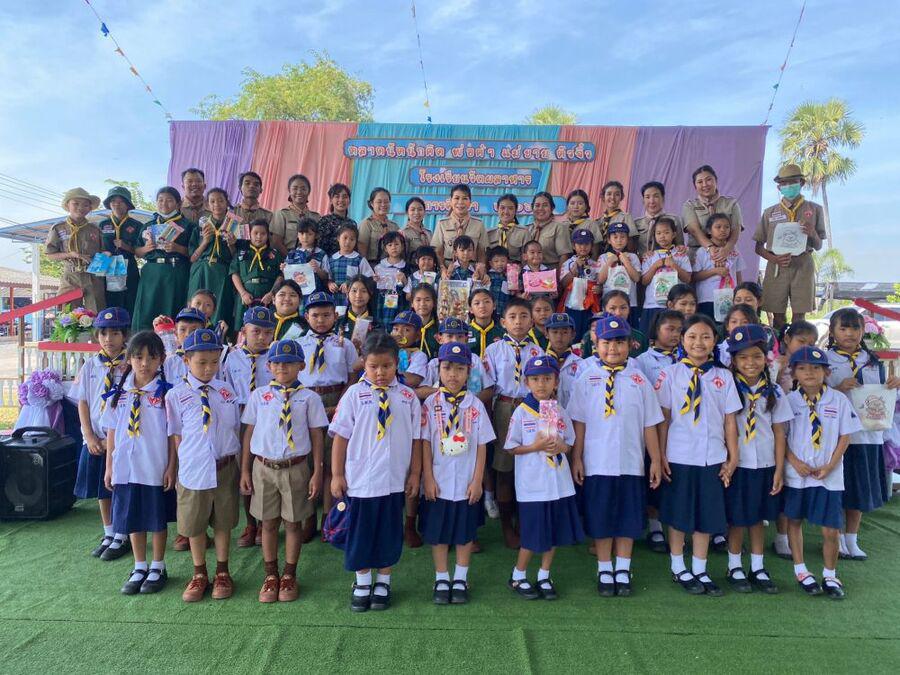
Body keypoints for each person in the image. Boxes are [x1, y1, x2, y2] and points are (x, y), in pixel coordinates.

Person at [329, 332, 423, 612]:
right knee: (362, 533)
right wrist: (337, 474)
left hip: (394, 480)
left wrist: (415, 473)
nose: (380, 372)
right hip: (361, 479)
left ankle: (383, 581)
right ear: (364, 364)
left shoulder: (407, 397)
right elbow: (340, 437)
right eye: (373, 366)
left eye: (386, 366)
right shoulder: (354, 395)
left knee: (389, 533)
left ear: (397, 364)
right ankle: (362, 581)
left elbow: (417, 439)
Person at [570, 316, 663, 596]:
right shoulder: (586, 379)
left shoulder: (639, 380)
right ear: (596, 345)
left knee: (627, 518)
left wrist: (655, 460)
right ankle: (604, 568)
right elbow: (579, 423)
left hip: (631, 463)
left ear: (630, 345)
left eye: (619, 342)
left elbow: (649, 424)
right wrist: (577, 458)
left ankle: (623, 567)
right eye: (606, 342)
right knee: (601, 518)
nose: (613, 348)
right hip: (597, 463)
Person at [656, 314, 741, 596]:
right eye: (692, 336)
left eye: (706, 337)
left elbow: (730, 421)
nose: (698, 342)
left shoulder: (723, 376)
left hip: (711, 456)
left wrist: (733, 457)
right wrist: (661, 455)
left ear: (715, 341)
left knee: (706, 515)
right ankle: (678, 566)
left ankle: (700, 568)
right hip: (678, 455)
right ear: (682, 340)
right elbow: (664, 419)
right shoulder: (670, 374)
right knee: (679, 514)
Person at [240, 338, 328, 602]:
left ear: (301, 365)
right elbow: (249, 433)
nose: (282, 368)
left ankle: (289, 574)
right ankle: (270, 575)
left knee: (293, 523)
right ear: (268, 366)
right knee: (268, 523)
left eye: (289, 363)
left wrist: (317, 472)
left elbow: (317, 436)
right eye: (277, 363)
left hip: (295, 467)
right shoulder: (259, 396)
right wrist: (244, 470)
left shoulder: (310, 398)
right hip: (264, 467)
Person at [166, 329, 241, 602]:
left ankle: (222, 571)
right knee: (195, 524)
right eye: (201, 362)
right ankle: (199, 573)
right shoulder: (176, 395)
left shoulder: (226, 391)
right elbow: (176, 434)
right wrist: (180, 467)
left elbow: (234, 428)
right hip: (194, 469)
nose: (209, 368)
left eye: (214, 362)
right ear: (187, 361)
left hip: (224, 468)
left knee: (223, 521)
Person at [784, 346, 861, 599]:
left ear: (826, 372)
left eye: (816, 368)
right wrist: (794, 462)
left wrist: (830, 465)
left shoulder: (838, 400)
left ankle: (830, 575)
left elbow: (845, 436)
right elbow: (781, 437)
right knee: (794, 520)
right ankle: (801, 570)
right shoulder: (789, 401)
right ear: (794, 373)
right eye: (802, 368)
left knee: (830, 529)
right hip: (797, 475)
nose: (810, 373)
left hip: (829, 476)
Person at [102, 331, 176, 595]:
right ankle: (139, 565)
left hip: (154, 467)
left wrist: (171, 467)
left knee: (156, 518)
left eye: (151, 357)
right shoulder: (118, 395)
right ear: (129, 359)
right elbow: (112, 432)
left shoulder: (167, 394)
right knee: (132, 517)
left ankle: (158, 565)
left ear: (161, 359)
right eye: (138, 357)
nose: (145, 363)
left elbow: (172, 434)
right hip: (125, 469)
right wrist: (109, 466)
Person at [420, 342, 493, 604]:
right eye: (447, 368)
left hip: (466, 481)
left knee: (465, 533)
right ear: (438, 369)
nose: (453, 374)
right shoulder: (430, 404)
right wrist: (427, 478)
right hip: (438, 481)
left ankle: (460, 577)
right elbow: (425, 442)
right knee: (438, 533)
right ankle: (441, 577)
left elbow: (482, 445)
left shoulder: (475, 405)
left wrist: (477, 480)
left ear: (468, 372)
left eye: (460, 369)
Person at [504, 356, 583, 600]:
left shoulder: (559, 410)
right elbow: (511, 447)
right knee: (532, 534)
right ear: (527, 383)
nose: (541, 384)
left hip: (558, 482)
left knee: (554, 532)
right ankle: (518, 575)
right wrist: (535, 446)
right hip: (533, 485)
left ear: (556, 382)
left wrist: (561, 446)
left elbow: (569, 443)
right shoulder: (522, 412)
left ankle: (544, 575)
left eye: (547, 379)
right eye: (535, 379)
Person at [825, 308, 900, 561]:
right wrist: (837, 388)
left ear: (862, 331)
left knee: (859, 490)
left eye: (855, 328)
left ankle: (852, 539)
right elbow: (815, 394)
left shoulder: (873, 361)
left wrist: (893, 386)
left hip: (867, 436)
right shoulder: (824, 360)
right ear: (832, 332)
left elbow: (884, 398)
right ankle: (836, 538)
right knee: (838, 489)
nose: (849, 333)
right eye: (843, 328)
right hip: (837, 438)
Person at [723, 325, 792, 594]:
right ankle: (734, 566)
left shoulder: (774, 391)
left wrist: (779, 469)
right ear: (733, 360)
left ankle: (758, 566)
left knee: (758, 517)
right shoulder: (727, 388)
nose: (750, 363)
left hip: (764, 464)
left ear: (766, 358)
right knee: (737, 518)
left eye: (756, 356)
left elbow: (779, 432)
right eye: (743, 357)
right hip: (737, 465)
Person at [296, 292, 359, 540]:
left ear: (335, 316)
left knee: (333, 460)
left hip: (336, 398)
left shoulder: (345, 344)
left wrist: (341, 404)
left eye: (326, 315)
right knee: (309, 460)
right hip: (307, 399)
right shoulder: (299, 343)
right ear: (306, 316)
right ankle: (308, 516)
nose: (321, 320)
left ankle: (329, 517)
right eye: (315, 315)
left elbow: (352, 376)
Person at [483, 298, 545, 548]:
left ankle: (523, 523)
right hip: (504, 408)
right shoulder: (493, 350)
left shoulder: (538, 351)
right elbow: (489, 386)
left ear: (532, 321)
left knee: (529, 464)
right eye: (512, 317)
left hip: (531, 408)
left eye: (523, 316)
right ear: (503, 322)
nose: (518, 321)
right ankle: (507, 526)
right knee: (504, 467)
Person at [74, 306, 130, 560]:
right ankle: (109, 531)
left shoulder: (131, 366)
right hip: (95, 440)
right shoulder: (90, 365)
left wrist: (113, 440)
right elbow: (83, 402)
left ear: (124, 335)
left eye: (115, 333)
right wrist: (89, 436)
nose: (109, 339)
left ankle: (122, 533)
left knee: (119, 486)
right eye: (104, 333)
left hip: (121, 440)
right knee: (101, 488)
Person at [223, 306, 276, 548]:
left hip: (268, 418)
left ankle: (265, 522)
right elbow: (226, 389)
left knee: (263, 470)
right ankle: (250, 523)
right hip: (241, 418)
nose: (262, 337)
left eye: (267, 332)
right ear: (244, 331)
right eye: (256, 331)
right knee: (244, 470)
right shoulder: (230, 357)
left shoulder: (276, 358)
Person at [754, 164, 826, 330]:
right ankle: (779, 342)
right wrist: (774, 259)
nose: (788, 186)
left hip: (803, 264)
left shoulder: (815, 209)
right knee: (777, 313)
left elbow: (819, 245)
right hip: (777, 266)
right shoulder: (770, 212)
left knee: (800, 314)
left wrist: (812, 233)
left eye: (793, 182)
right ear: (779, 187)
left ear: (802, 183)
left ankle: (798, 341)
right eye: (784, 183)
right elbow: (758, 246)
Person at [635, 309, 683, 552]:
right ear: (656, 330)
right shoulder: (643, 361)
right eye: (669, 329)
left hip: (682, 428)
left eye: (679, 330)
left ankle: (677, 524)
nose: (675, 334)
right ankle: (655, 526)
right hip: (653, 426)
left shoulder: (687, 358)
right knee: (654, 476)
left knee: (677, 476)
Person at [131, 187, 194, 331]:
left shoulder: (188, 226)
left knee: (172, 309)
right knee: (147, 309)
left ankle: (173, 342)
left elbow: (194, 253)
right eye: (160, 200)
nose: (164, 204)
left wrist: (177, 248)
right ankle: (144, 340)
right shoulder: (148, 225)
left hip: (176, 271)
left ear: (178, 203)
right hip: (151, 273)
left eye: (169, 200)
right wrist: (146, 248)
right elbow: (137, 252)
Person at [45, 187, 105, 313]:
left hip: (92, 276)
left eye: (85, 205)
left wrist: (105, 257)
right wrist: (70, 254)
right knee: (68, 316)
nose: (80, 208)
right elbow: (50, 255)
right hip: (70, 277)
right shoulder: (58, 228)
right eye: (76, 203)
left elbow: (102, 253)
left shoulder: (95, 230)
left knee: (96, 313)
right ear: (68, 205)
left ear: (90, 208)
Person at [188, 188, 238, 331]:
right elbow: (192, 258)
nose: (217, 204)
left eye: (221, 200)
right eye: (212, 201)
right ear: (207, 204)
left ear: (227, 202)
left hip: (222, 271)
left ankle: (217, 337)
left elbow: (236, 257)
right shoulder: (200, 226)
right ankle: (193, 334)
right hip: (201, 270)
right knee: (196, 305)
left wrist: (231, 244)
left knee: (220, 307)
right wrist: (205, 241)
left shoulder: (234, 225)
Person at [639, 217, 692, 335]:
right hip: (652, 305)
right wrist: (655, 266)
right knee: (650, 337)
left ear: (674, 234)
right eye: (658, 233)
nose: (662, 236)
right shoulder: (650, 256)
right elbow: (644, 281)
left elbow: (688, 279)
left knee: (673, 335)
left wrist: (674, 266)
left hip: (675, 305)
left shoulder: (681, 255)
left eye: (666, 232)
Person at [230, 218, 284, 332]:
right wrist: (243, 293)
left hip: (267, 295)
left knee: (267, 327)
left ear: (268, 235)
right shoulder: (241, 253)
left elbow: (280, 276)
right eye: (255, 233)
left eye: (263, 233)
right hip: (245, 295)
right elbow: (234, 273)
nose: (259, 236)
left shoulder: (275, 254)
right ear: (249, 234)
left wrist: (272, 293)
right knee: (243, 328)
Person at [681, 165, 743, 261]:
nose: (705, 184)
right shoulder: (689, 206)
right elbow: (694, 230)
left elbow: (736, 229)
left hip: (726, 252)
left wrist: (727, 249)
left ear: (716, 181)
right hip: (697, 255)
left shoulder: (731, 203)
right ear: (695, 186)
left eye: (708, 179)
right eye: (700, 182)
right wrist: (710, 247)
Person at [693, 213, 744, 320]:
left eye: (727, 227)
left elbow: (738, 275)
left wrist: (739, 296)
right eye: (718, 227)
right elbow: (694, 277)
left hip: (729, 299)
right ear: (709, 231)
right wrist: (715, 271)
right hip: (707, 299)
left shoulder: (734, 249)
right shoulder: (702, 251)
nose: (723, 230)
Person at [99, 186, 141, 315]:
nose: (117, 204)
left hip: (129, 267)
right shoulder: (102, 225)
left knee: (130, 301)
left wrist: (126, 247)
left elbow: (142, 252)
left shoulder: (137, 225)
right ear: (109, 204)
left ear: (127, 204)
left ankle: (130, 328)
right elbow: (97, 248)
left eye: (121, 201)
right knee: (109, 302)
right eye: (113, 201)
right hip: (108, 266)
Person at [432, 184, 488, 267]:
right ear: (451, 201)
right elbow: (437, 251)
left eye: (465, 198)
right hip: (448, 269)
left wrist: (480, 269)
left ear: (470, 202)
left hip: (471, 270)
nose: (460, 202)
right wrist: (442, 269)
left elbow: (482, 252)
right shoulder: (442, 224)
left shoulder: (479, 224)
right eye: (457, 198)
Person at [559, 228, 601, 340]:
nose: (583, 247)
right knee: (573, 333)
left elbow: (600, 283)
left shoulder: (596, 264)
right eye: (579, 244)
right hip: (572, 305)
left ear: (592, 246)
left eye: (587, 244)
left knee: (588, 333)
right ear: (573, 246)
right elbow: (563, 284)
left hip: (590, 306)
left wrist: (599, 288)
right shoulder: (568, 263)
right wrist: (574, 269)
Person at [596, 223, 641, 326]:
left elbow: (636, 278)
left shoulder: (633, 257)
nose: (619, 240)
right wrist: (609, 262)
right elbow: (600, 279)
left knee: (629, 330)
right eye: (615, 237)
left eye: (622, 237)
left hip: (629, 302)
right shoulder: (603, 257)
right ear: (609, 240)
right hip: (610, 303)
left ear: (627, 239)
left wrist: (626, 262)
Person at [270, 174, 321, 256]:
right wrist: (292, 259)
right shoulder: (281, 214)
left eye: (303, 189)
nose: (299, 192)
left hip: (312, 259)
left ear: (308, 192)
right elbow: (276, 242)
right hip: (287, 258)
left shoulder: (316, 217)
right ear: (289, 191)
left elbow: (319, 241)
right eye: (295, 188)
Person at [329, 223, 374, 310]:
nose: (348, 242)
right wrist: (330, 284)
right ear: (338, 238)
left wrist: (350, 284)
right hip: (335, 299)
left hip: (354, 300)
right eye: (345, 238)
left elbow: (369, 278)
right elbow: (328, 278)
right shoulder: (332, 259)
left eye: (352, 239)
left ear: (356, 241)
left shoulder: (359, 259)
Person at [284, 217, 331, 297]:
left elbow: (326, 277)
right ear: (297, 235)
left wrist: (317, 269)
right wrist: (284, 269)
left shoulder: (321, 254)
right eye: (302, 234)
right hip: (296, 294)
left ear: (316, 235)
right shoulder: (292, 254)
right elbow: (287, 276)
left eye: (309, 234)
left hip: (315, 294)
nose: (305, 237)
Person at [634, 181, 684, 256]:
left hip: (668, 261)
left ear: (663, 199)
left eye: (656, 196)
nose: (652, 201)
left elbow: (680, 246)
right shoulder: (636, 223)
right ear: (643, 201)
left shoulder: (674, 220)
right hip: (642, 262)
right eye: (647, 197)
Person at [544, 313, 580, 409]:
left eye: (565, 332)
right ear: (546, 334)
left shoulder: (581, 364)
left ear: (573, 335)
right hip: (545, 414)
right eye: (554, 332)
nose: (559, 336)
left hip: (573, 414)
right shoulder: (539, 362)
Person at [373, 232, 409, 328]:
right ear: (385, 248)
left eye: (397, 244)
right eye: (390, 245)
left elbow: (409, 287)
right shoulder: (379, 266)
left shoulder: (405, 266)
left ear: (402, 246)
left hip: (400, 300)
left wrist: (405, 281)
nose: (394, 247)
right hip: (382, 298)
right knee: (382, 322)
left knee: (398, 321)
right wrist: (375, 279)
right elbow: (375, 285)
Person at [163, 308, 206, 386]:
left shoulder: (214, 360)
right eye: (182, 329)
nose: (187, 334)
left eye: (194, 330)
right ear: (176, 333)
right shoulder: (168, 363)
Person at [527, 191, 571, 267]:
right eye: (537, 205)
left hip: (551, 271)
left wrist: (559, 274)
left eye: (545, 205)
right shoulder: (527, 229)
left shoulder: (559, 228)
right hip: (529, 271)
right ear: (532, 208)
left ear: (552, 208)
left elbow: (564, 256)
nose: (540, 208)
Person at [358, 187, 399, 264]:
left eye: (386, 202)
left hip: (392, 267)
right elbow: (362, 252)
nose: (383, 205)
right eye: (379, 202)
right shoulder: (366, 224)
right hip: (372, 266)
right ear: (372, 204)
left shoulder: (394, 226)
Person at [595, 181, 638, 250]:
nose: (612, 197)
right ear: (603, 197)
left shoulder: (626, 217)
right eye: (609, 194)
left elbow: (631, 242)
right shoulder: (598, 221)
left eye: (617, 194)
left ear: (621, 197)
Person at [391, 309, 428, 389]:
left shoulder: (419, 356)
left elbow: (412, 380)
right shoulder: (386, 351)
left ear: (417, 336)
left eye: (406, 330)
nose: (399, 334)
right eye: (395, 329)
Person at [487, 194, 530, 263]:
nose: (506, 212)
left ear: (516, 210)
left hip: (516, 269)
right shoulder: (489, 233)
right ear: (497, 209)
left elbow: (526, 259)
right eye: (502, 208)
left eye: (510, 208)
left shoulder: (523, 232)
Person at [314, 183, 354, 256]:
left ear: (349, 200)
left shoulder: (352, 223)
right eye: (337, 196)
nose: (341, 200)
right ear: (331, 200)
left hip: (349, 261)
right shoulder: (324, 221)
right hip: (328, 262)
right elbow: (319, 248)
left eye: (345, 197)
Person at [337, 275, 376, 348]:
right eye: (354, 291)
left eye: (364, 291)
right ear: (347, 294)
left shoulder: (377, 325)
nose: (358, 295)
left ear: (370, 294)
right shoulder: (338, 322)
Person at [468, 288, 504, 357]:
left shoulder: (502, 333)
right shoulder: (464, 333)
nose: (482, 306)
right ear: (471, 309)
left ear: (494, 306)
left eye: (487, 302)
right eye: (477, 303)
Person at [410, 284, 440, 359]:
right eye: (418, 300)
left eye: (427, 300)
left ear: (434, 303)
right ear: (412, 303)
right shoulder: (406, 327)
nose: (423, 304)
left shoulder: (440, 327)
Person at [400, 197, 432, 262]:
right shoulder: (402, 233)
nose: (416, 212)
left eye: (420, 209)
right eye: (412, 210)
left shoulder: (429, 233)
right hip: (411, 267)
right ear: (407, 213)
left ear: (424, 212)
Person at [485, 247, 512, 318]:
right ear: (491, 263)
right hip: (489, 311)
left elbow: (513, 292)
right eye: (496, 261)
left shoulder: (508, 277)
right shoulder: (487, 276)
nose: (500, 264)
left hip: (504, 310)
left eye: (503, 261)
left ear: (508, 262)